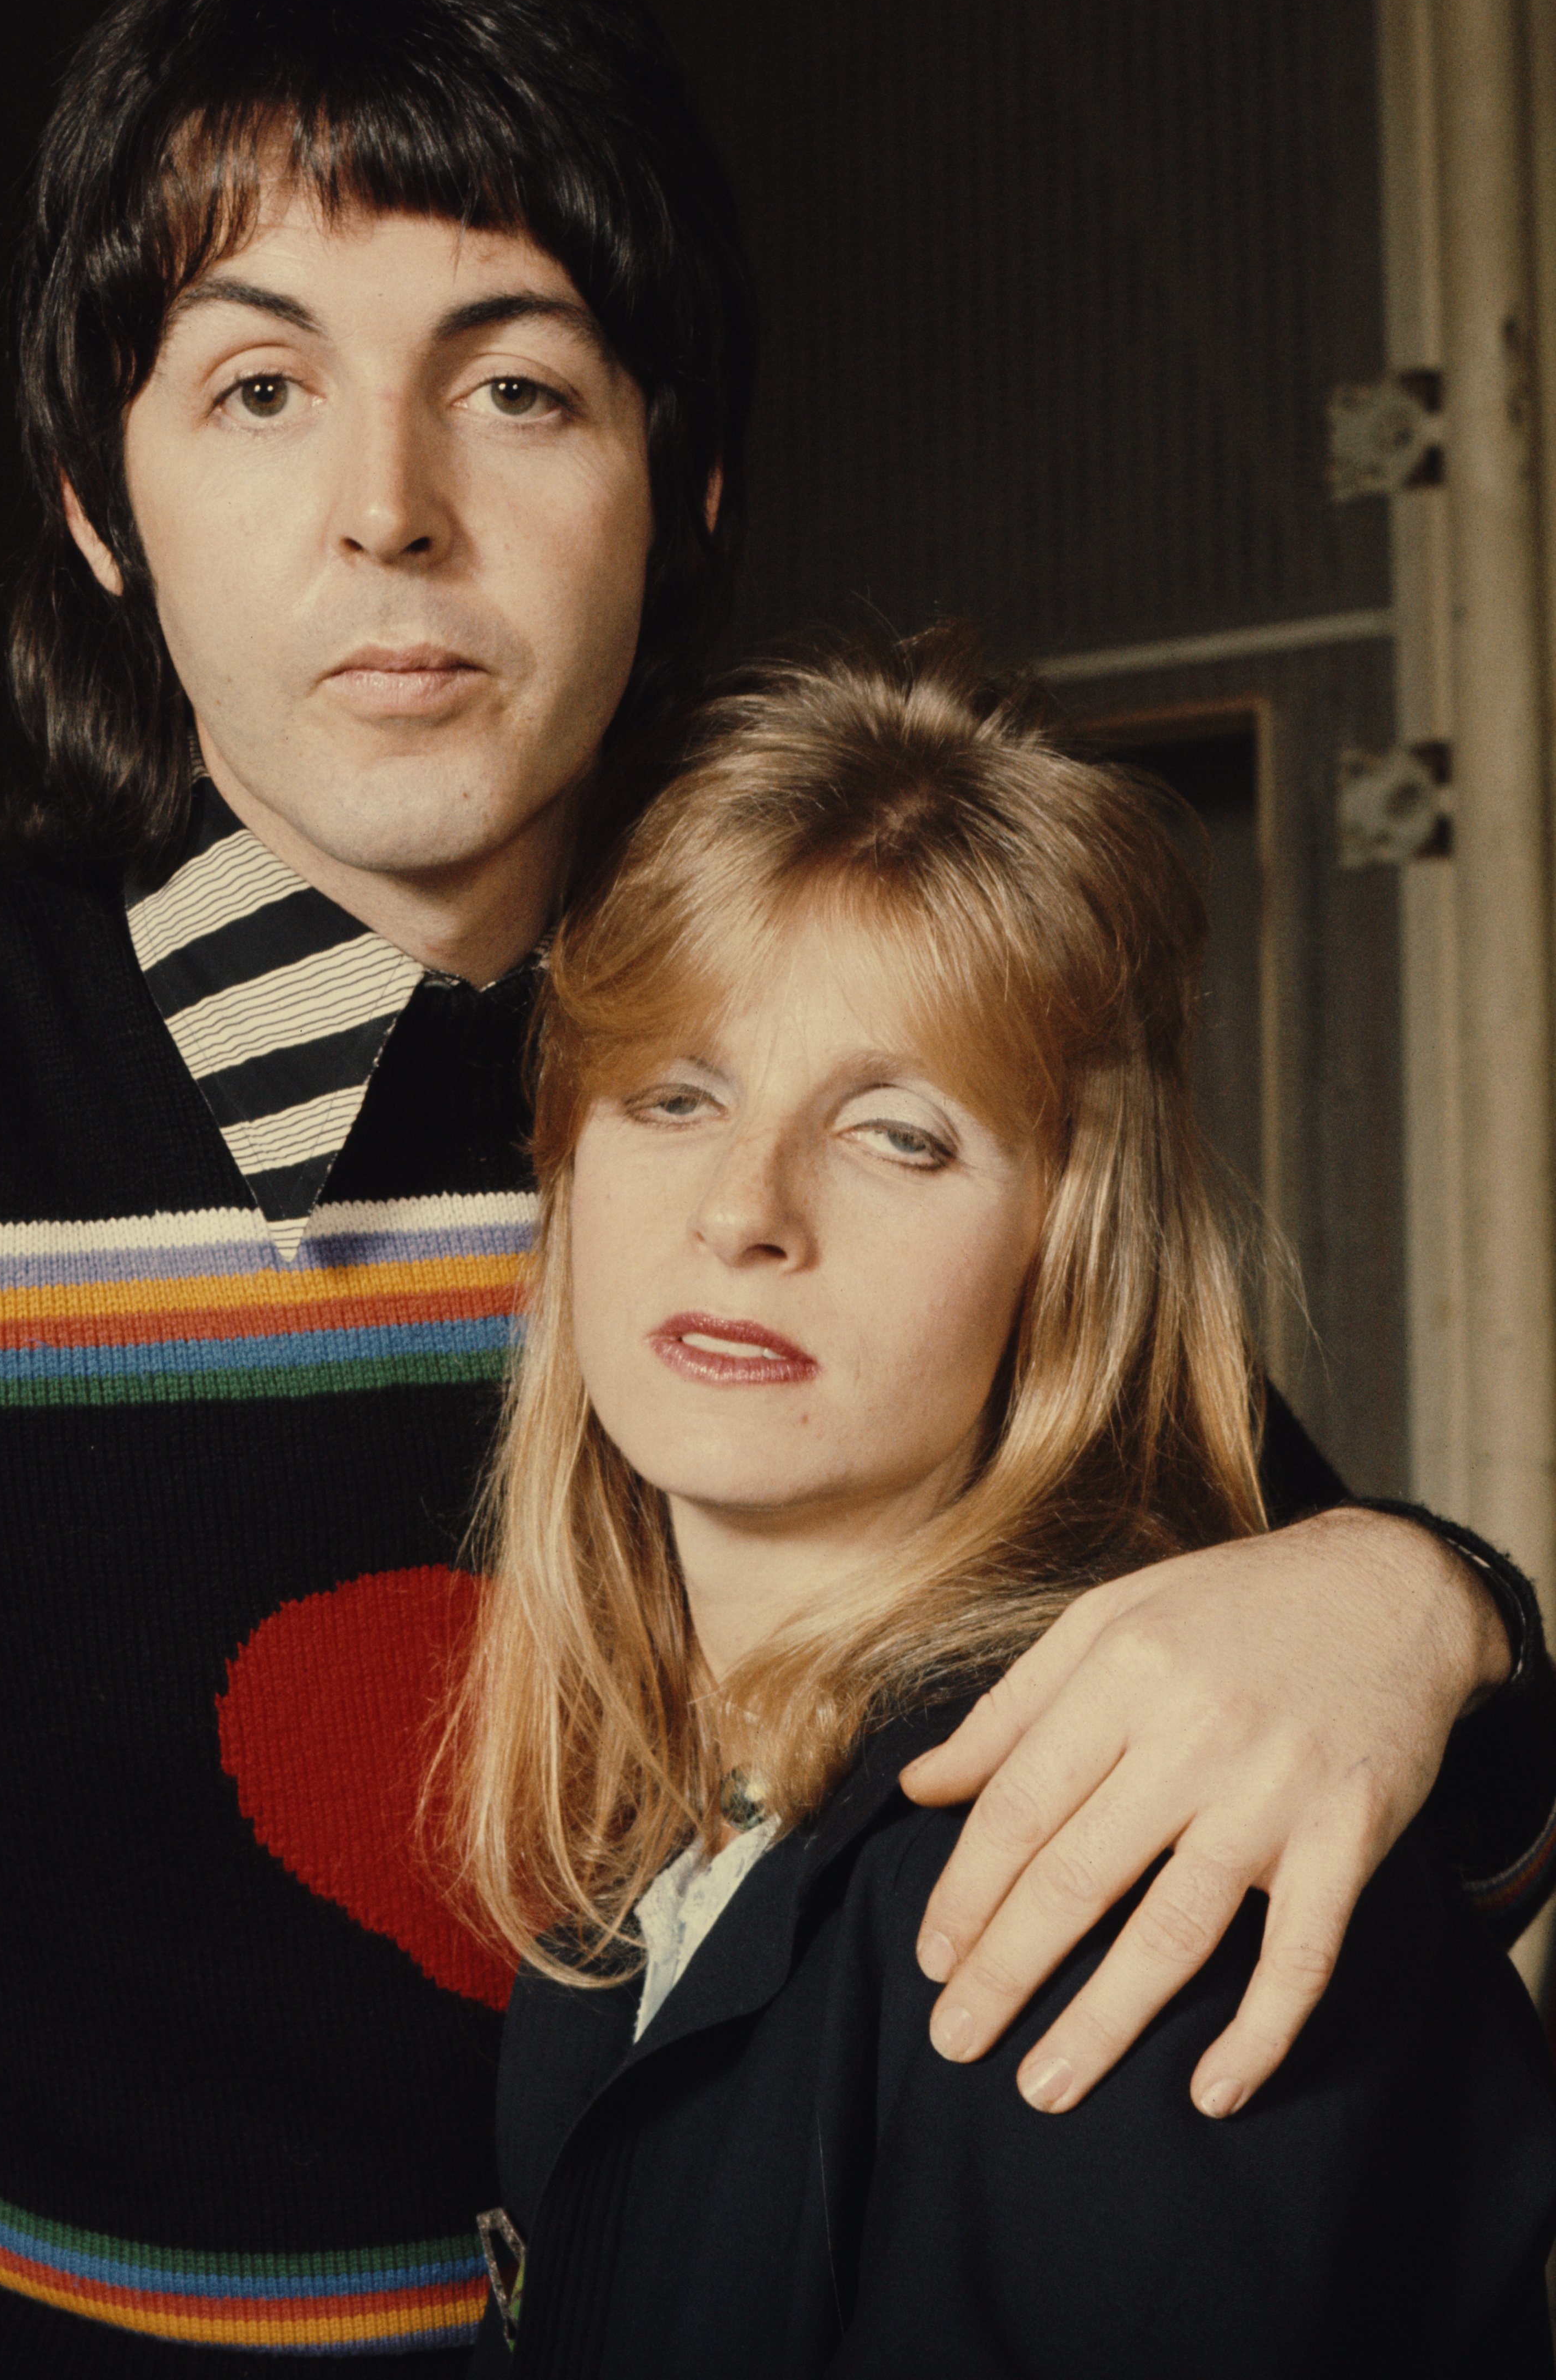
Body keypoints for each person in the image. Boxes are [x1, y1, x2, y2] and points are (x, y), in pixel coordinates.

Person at [0, 0, 1551, 2377]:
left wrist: (1419, 1606)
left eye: (518, 382)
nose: (391, 506)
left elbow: (1415, 1797)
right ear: (103, 507)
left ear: (692, 486)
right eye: (257, 381)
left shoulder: (815, 1079)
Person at [457, 629, 1556, 2378]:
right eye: (675, 1095)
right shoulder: (670, 1831)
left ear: (1067, 1241)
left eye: (897, 1133)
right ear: (562, 1168)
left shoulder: (1113, 1872)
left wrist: (1438, 1597)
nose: (746, 1208)